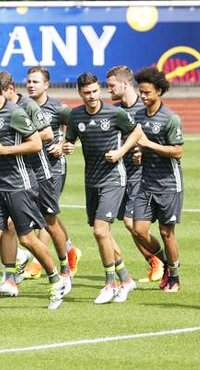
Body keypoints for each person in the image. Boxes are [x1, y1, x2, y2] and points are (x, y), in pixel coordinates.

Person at [0, 71, 68, 311]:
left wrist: (5, 151)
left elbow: (36, 143)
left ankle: (56, 280)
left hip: (19, 185)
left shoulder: (16, 113)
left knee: (27, 239)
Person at [65, 73, 142, 303]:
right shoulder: (75, 115)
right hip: (91, 181)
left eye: (95, 91)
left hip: (113, 179)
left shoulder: (115, 113)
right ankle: (126, 280)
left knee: (100, 231)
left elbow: (137, 131)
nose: (92, 96)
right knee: (103, 234)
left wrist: (121, 152)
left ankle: (110, 284)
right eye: (87, 93)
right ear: (80, 93)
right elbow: (70, 140)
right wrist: (67, 147)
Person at [105, 65, 164, 283]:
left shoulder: (144, 109)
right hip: (119, 174)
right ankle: (158, 262)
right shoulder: (114, 111)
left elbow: (157, 138)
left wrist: (142, 150)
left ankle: (160, 261)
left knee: (131, 223)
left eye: (111, 85)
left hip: (142, 175)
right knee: (127, 224)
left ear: (125, 84)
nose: (108, 90)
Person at [130, 67, 184, 293]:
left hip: (169, 184)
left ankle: (175, 277)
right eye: (141, 92)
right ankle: (163, 262)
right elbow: (139, 142)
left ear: (159, 91)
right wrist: (139, 152)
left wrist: (148, 145)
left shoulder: (171, 118)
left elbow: (178, 151)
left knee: (166, 232)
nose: (143, 97)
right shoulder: (139, 116)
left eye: (147, 93)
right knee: (138, 229)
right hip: (147, 183)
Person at [25, 67, 81, 279]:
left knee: (44, 215)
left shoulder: (58, 109)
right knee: (51, 214)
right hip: (32, 166)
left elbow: (77, 128)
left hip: (54, 166)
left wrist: (64, 143)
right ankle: (69, 250)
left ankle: (38, 261)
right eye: (29, 81)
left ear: (46, 85)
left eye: (36, 82)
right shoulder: (24, 107)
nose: (31, 85)